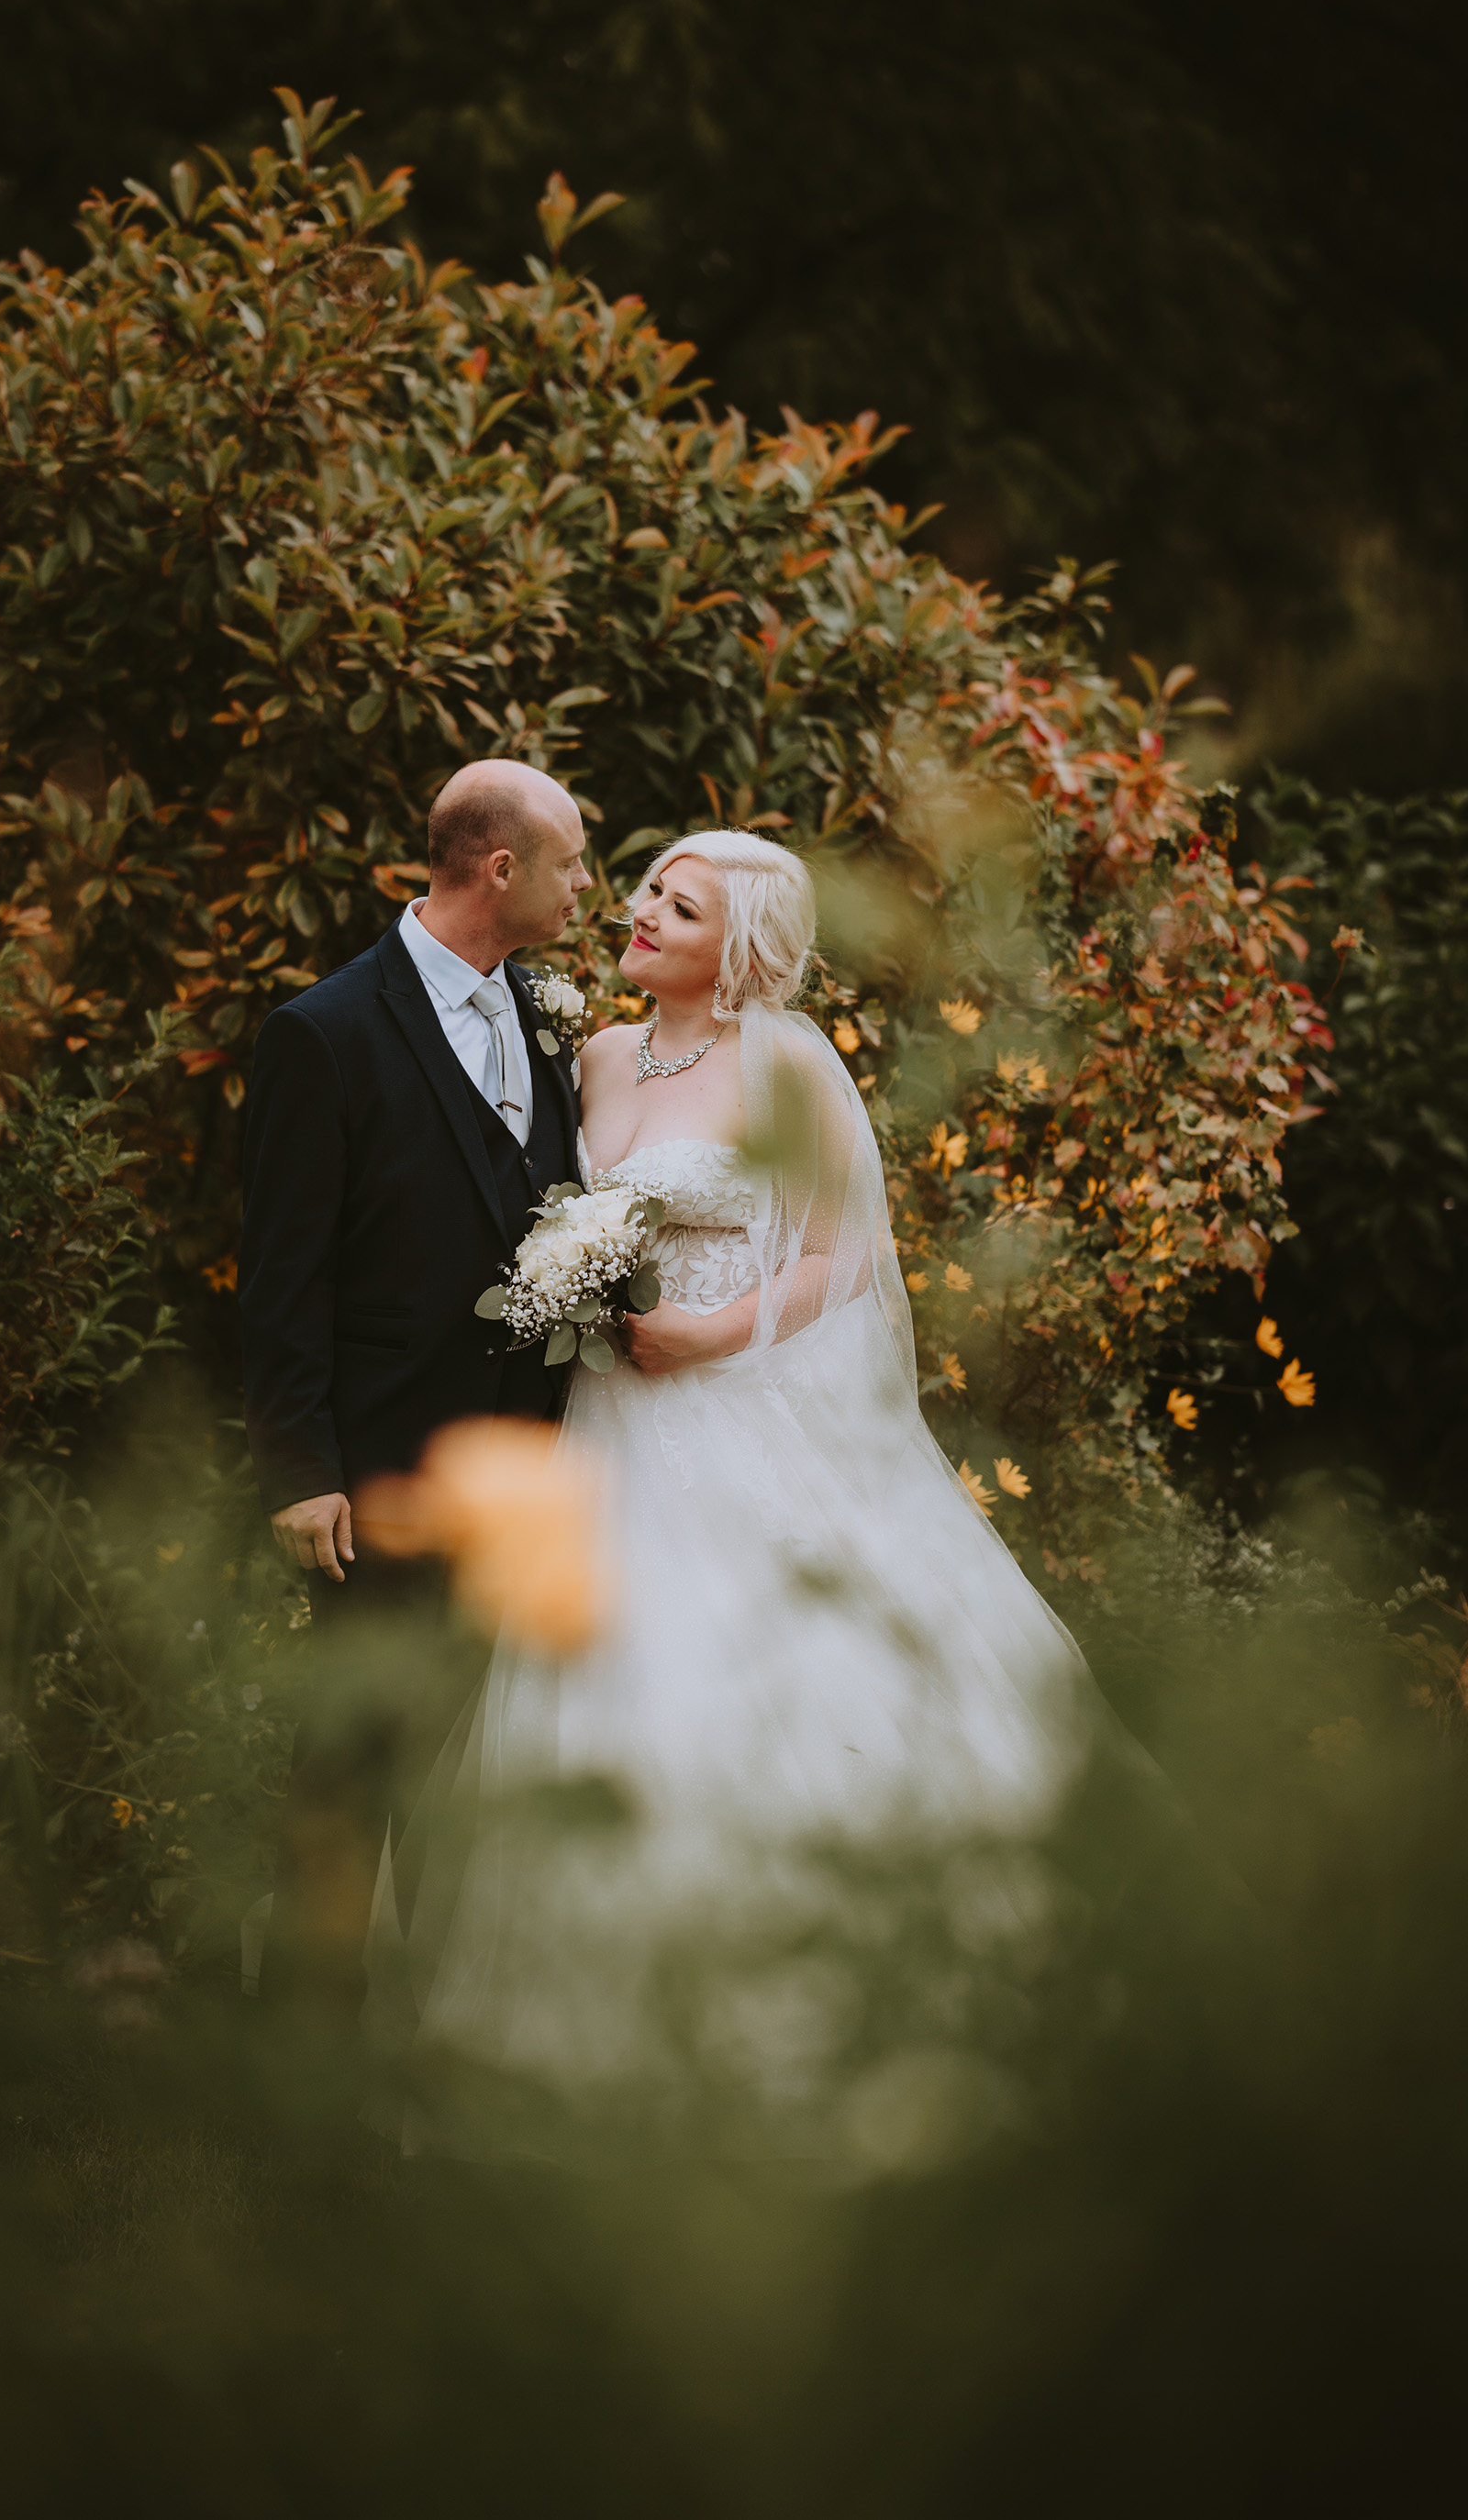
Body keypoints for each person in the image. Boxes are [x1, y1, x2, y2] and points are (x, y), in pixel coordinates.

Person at [362, 829, 1104, 2140]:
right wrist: (567, 1297)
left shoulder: (790, 1065)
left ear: (739, 945)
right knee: (592, 1685)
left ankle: (811, 2014)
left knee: (751, 1678)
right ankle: (580, 2035)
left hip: (735, 1412)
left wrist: (717, 1330)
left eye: (676, 902)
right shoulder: (591, 1056)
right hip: (606, 1423)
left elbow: (844, 1252)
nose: (639, 911)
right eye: (645, 888)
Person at [238, 760, 591, 1997]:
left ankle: (436, 2021)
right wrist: (301, 1469)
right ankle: (296, 2047)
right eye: (573, 862)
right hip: (382, 1473)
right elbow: (281, 1277)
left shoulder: (547, 1014)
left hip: (533, 1470)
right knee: (351, 1769)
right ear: (503, 868)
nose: (588, 886)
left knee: (475, 1767)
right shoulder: (322, 1033)